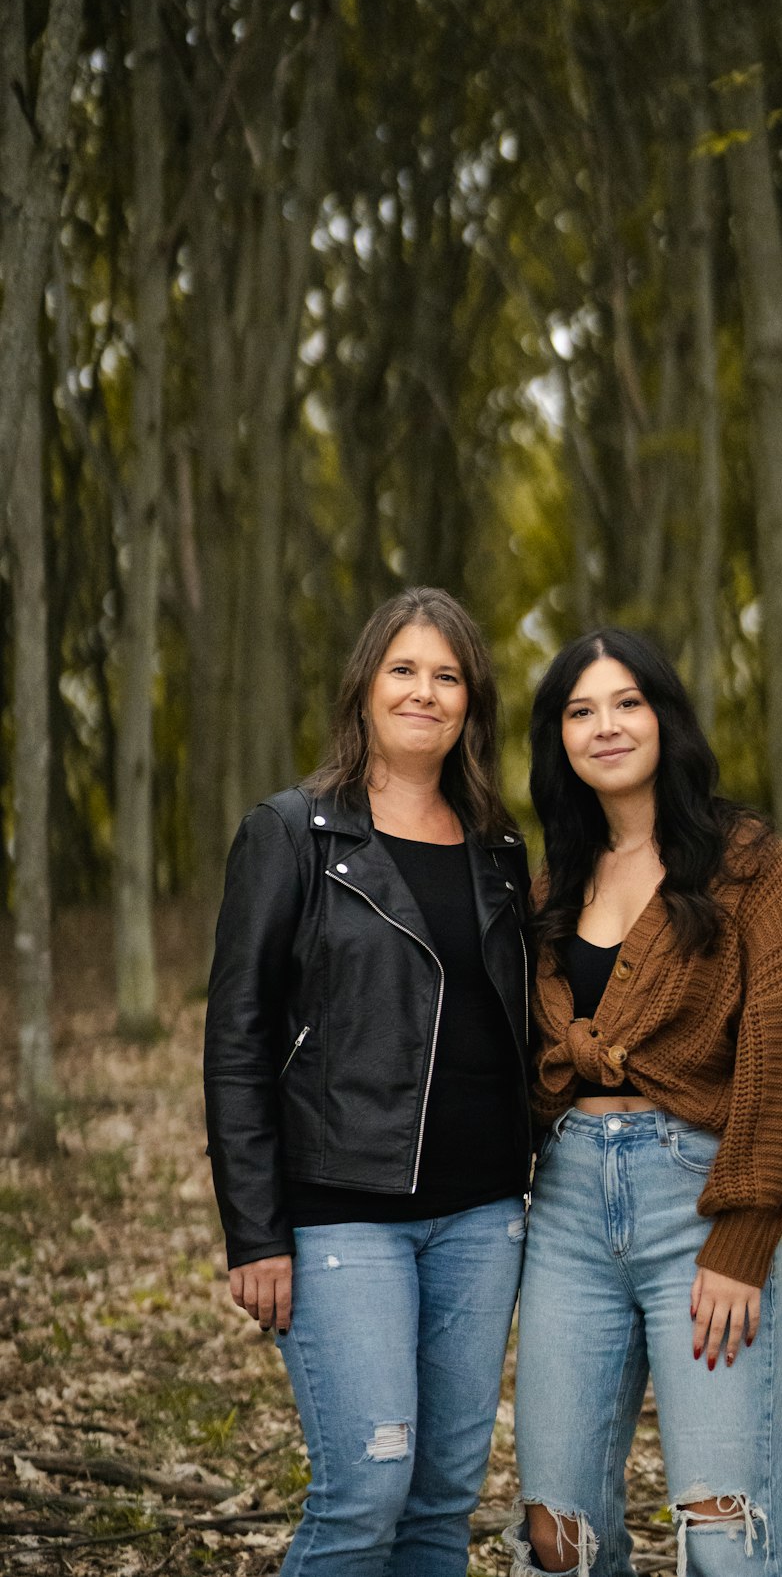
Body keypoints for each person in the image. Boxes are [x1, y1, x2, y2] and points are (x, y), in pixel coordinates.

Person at [204, 586, 533, 1577]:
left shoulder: (499, 846)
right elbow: (238, 1037)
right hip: (341, 1214)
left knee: (440, 1503)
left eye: (447, 675)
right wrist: (255, 1230)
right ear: (364, 686)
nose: (424, 691)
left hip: (482, 1217)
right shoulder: (293, 832)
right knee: (365, 1493)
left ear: (470, 700)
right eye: (404, 669)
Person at [505, 628, 782, 1577]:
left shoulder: (747, 865)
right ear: (558, 739)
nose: (605, 726)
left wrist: (744, 1237)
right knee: (556, 1537)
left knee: (724, 1532)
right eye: (580, 710)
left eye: (626, 702)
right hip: (566, 1213)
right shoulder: (551, 883)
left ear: (664, 716)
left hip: (697, 1209)